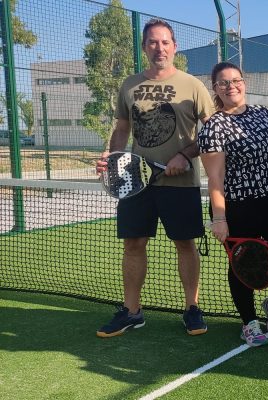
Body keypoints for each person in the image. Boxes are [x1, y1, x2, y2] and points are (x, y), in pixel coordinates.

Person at [95, 18, 215, 338]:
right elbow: (121, 130)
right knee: (133, 244)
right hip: (135, 184)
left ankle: (192, 308)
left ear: (174, 46)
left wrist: (185, 155)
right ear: (145, 46)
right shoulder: (129, 85)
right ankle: (132, 312)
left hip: (180, 184)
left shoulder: (193, 85)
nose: (159, 48)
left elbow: (213, 131)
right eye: (152, 42)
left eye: (165, 42)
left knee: (184, 244)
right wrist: (112, 161)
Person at [198, 62, 268, 347]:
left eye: (236, 80)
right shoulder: (214, 126)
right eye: (223, 83)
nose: (231, 87)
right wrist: (219, 218)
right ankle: (249, 322)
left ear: (245, 82)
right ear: (215, 89)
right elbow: (215, 179)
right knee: (245, 264)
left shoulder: (264, 115)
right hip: (237, 208)